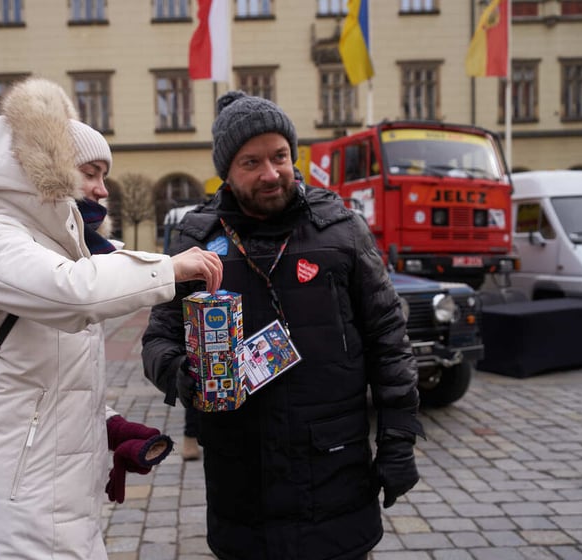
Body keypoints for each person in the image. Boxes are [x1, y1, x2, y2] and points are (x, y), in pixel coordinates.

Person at [0, 77, 222, 559]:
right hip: (4, 508)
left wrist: (111, 426)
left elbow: (36, 384)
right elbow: (75, 293)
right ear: (48, 168)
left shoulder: (49, 249)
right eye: (91, 172)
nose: (103, 190)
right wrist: (169, 266)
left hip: (55, 498)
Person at [141, 91, 424, 560]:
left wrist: (398, 440)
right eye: (252, 162)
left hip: (335, 470)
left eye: (280, 156)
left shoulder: (341, 229)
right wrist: (183, 376)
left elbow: (389, 341)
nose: (271, 173)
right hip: (241, 480)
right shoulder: (197, 238)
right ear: (226, 172)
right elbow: (157, 339)